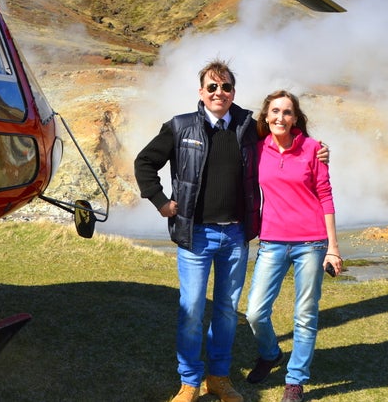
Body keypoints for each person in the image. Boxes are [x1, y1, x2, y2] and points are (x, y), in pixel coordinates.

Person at [134, 62, 328, 402]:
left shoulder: (246, 126)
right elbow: (144, 162)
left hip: (235, 237)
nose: (218, 93)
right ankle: (190, 381)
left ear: (233, 93)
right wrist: (161, 202)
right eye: (211, 88)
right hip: (195, 236)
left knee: (226, 312)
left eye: (224, 88)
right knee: (192, 310)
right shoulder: (180, 127)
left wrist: (317, 149)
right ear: (201, 92)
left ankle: (219, 377)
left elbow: (285, 137)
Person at [244, 90, 341, 402]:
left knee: (305, 313)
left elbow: (325, 196)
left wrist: (333, 247)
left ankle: (295, 380)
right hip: (272, 241)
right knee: (255, 312)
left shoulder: (313, 149)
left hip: (312, 243)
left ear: (295, 118)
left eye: (287, 112)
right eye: (275, 111)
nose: (280, 117)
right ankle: (270, 353)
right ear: (266, 116)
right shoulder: (258, 150)